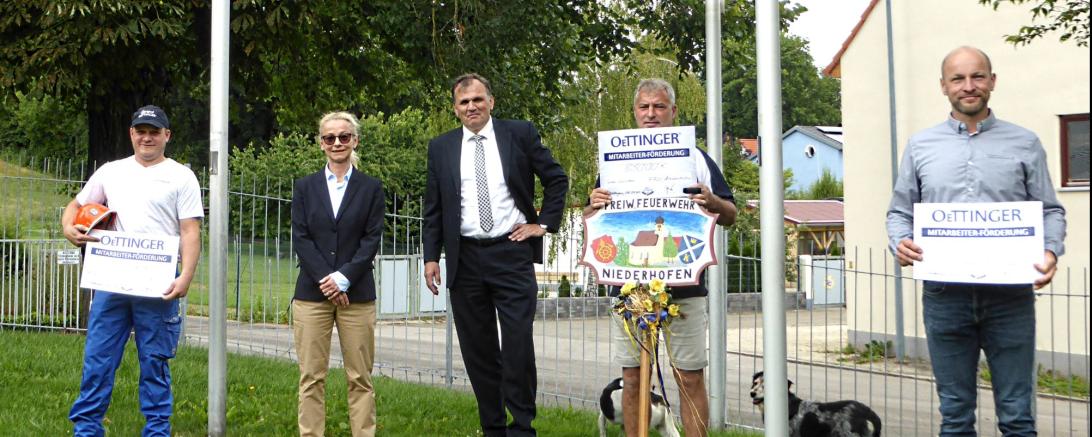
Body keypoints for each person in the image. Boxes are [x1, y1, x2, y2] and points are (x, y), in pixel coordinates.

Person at [886, 46, 1066, 436]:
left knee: (1018, 416)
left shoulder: (1025, 142)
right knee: (954, 415)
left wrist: (1050, 251)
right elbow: (900, 212)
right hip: (944, 296)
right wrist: (900, 241)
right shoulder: (920, 146)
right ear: (944, 86)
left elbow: (1050, 209)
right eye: (958, 79)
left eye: (977, 76)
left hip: (1010, 298)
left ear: (992, 81)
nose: (969, 86)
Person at [584, 78, 738, 437]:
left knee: (689, 377)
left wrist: (712, 201)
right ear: (635, 112)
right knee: (633, 377)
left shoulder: (695, 157)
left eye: (658, 107)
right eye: (644, 107)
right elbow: (594, 220)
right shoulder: (614, 160)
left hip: (684, 285)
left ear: (674, 112)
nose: (650, 114)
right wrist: (592, 206)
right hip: (629, 289)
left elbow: (730, 214)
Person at [422, 73, 569, 436]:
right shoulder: (440, 148)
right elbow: (434, 209)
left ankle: (522, 427)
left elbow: (556, 179)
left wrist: (544, 225)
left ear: (491, 101)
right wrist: (430, 257)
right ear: (455, 109)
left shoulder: (519, 134)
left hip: (512, 253)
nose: (471, 107)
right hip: (465, 259)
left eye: (477, 99)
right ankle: (493, 427)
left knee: (517, 345)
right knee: (479, 351)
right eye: (463, 102)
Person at [62, 105, 203, 436]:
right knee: (98, 360)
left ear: (166, 136)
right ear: (131, 134)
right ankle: (86, 429)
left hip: (157, 286)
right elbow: (77, 204)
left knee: (154, 362)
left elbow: (190, 231)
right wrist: (68, 226)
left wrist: (186, 277)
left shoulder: (182, 176)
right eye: (141, 131)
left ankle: (156, 430)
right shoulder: (111, 171)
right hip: (111, 284)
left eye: (154, 132)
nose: (147, 137)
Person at [291, 111, 385, 437]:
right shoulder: (304, 187)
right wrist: (328, 282)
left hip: (356, 295)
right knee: (311, 377)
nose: (337, 143)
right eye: (330, 138)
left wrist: (343, 279)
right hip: (311, 295)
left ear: (355, 140)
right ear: (321, 143)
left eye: (344, 137)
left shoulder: (371, 188)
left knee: (360, 377)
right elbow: (301, 238)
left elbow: (371, 239)